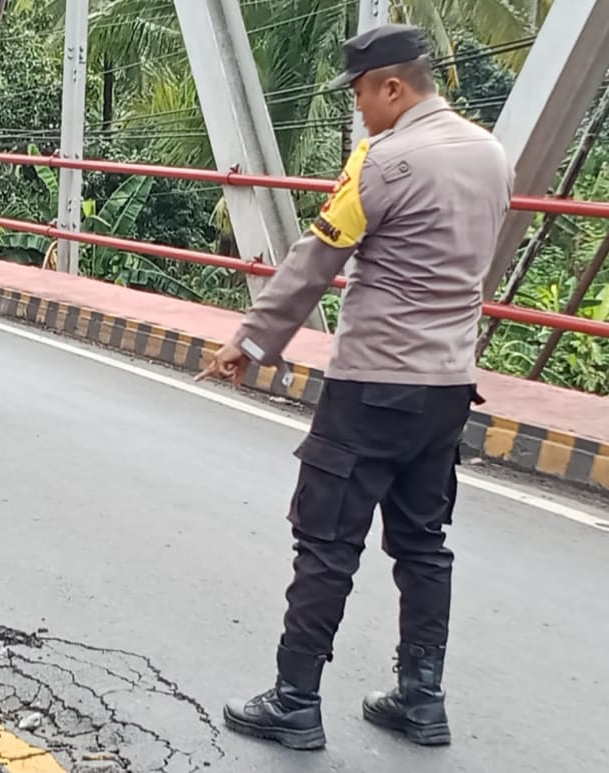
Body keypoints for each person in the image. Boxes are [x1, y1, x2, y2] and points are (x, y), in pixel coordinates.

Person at [196, 25, 514, 751]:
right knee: (424, 542)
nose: (360, 110)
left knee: (327, 542)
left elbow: (314, 262)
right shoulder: (491, 154)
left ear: (394, 87)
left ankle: (294, 699)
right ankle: (422, 697)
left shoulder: (384, 160)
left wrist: (248, 340)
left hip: (372, 385)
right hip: (447, 388)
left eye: (364, 95)